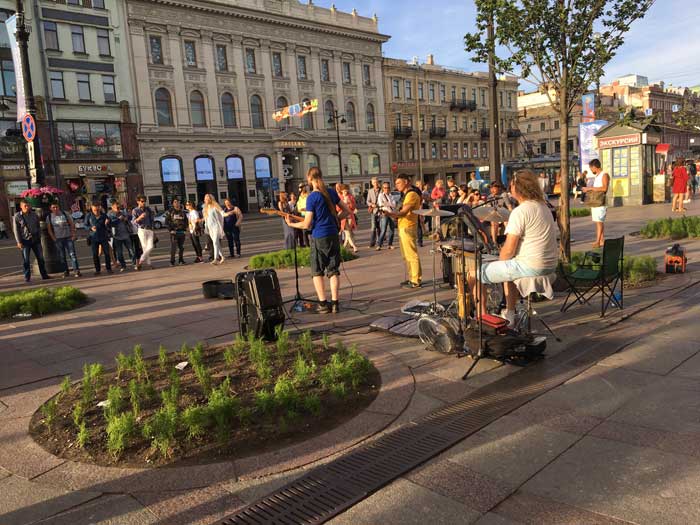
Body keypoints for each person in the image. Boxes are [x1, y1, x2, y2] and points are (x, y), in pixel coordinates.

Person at [469, 169, 557, 325]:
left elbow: (508, 250)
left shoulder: (520, 211)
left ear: (517, 188)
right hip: (549, 264)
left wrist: (498, 260)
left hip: (530, 266)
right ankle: (510, 315)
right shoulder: (544, 207)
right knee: (508, 272)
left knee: (472, 274)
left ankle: (483, 319)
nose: (510, 189)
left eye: (511, 186)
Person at [285, 167, 350, 314]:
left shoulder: (312, 197)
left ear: (309, 179)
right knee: (333, 270)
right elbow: (346, 211)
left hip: (319, 236)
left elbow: (307, 224)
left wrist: (291, 224)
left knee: (317, 271)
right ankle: (335, 303)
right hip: (333, 234)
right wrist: (334, 220)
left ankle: (323, 304)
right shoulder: (331, 192)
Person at [384, 173, 423, 289]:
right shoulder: (405, 194)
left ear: (406, 182)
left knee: (411, 254)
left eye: (398, 183)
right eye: (395, 183)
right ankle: (412, 278)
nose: (396, 185)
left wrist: (390, 214)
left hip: (408, 226)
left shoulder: (411, 194)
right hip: (403, 226)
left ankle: (416, 280)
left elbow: (403, 212)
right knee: (406, 255)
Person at [13, 200, 50, 282]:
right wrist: (19, 242)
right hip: (25, 241)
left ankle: (44, 275)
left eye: (28, 205)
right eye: (25, 206)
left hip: (36, 239)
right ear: (21, 206)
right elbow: (16, 230)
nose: (27, 207)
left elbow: (38, 226)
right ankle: (27, 277)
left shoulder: (34, 215)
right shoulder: (17, 216)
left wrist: (39, 235)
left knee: (40, 258)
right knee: (26, 260)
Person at [47, 202, 81, 278]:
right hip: (58, 239)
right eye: (53, 207)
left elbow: (72, 224)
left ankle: (76, 271)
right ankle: (65, 271)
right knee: (62, 256)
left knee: (72, 255)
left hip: (68, 237)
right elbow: (49, 229)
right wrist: (54, 238)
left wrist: (73, 234)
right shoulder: (49, 217)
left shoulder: (65, 213)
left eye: (56, 207)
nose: (55, 209)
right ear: (51, 208)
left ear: (59, 207)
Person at [582, 159, 610, 248]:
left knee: (599, 222)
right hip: (596, 202)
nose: (591, 170)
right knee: (598, 222)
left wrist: (590, 189)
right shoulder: (597, 175)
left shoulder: (604, 175)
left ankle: (598, 241)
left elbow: (604, 188)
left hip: (600, 202)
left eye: (591, 168)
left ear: (594, 167)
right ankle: (601, 240)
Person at [85, 202, 112, 275]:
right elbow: (85, 225)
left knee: (107, 253)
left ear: (99, 208)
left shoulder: (104, 215)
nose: (96, 211)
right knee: (95, 254)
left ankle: (109, 268)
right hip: (94, 238)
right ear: (92, 208)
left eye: (97, 210)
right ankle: (97, 270)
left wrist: (108, 222)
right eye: (94, 210)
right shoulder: (89, 216)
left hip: (103, 237)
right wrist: (90, 228)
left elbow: (109, 225)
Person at [108, 201, 133, 272]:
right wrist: (119, 219)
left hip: (126, 235)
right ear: (112, 207)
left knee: (131, 251)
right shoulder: (110, 215)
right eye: (117, 207)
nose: (118, 209)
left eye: (119, 207)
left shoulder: (123, 213)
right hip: (117, 237)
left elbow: (130, 218)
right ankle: (123, 265)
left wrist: (126, 219)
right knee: (119, 253)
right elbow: (110, 224)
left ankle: (134, 263)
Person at [132, 195, 155, 270]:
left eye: (145, 201)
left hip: (149, 229)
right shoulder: (135, 210)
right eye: (142, 201)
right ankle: (149, 264)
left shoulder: (148, 209)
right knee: (145, 248)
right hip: (141, 229)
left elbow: (152, 219)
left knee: (151, 246)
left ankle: (140, 262)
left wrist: (152, 228)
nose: (144, 203)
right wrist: (139, 217)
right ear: (138, 201)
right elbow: (133, 222)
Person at [164, 198, 189, 266]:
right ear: (173, 204)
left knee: (181, 248)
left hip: (181, 233)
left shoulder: (183, 212)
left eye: (178, 202)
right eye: (175, 202)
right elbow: (166, 222)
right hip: (174, 233)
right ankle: (172, 261)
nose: (177, 203)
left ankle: (181, 260)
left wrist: (185, 230)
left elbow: (186, 222)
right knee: (173, 248)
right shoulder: (170, 212)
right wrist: (171, 230)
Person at [203, 193, 225, 264]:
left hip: (216, 226)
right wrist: (206, 228)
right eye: (205, 198)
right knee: (216, 243)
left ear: (211, 199)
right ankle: (222, 257)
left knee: (215, 242)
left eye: (207, 198)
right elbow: (206, 219)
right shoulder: (205, 208)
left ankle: (216, 258)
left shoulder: (215, 206)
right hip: (210, 228)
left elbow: (222, 213)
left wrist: (228, 213)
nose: (206, 200)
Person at [338, 184, 358, 253]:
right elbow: (337, 208)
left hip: (350, 217)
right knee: (348, 232)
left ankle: (344, 246)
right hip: (343, 217)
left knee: (348, 232)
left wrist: (349, 202)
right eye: (344, 191)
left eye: (346, 191)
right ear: (342, 191)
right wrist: (343, 203)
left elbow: (353, 207)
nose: (345, 192)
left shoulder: (350, 197)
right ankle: (354, 247)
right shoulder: (339, 197)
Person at [376, 181, 396, 250]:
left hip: (391, 213)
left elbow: (394, 205)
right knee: (383, 230)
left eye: (388, 188)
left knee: (392, 230)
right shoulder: (380, 195)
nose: (386, 189)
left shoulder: (391, 196)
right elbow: (381, 204)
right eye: (385, 188)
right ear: (382, 188)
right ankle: (379, 245)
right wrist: (388, 203)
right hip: (384, 213)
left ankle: (390, 244)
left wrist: (386, 203)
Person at [366, 177, 381, 248]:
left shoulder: (382, 190)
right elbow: (367, 201)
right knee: (373, 227)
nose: (376, 184)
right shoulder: (370, 191)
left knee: (379, 227)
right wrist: (371, 204)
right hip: (373, 212)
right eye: (374, 182)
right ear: (372, 183)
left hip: (381, 211)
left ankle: (379, 241)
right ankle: (372, 243)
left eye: (377, 182)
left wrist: (378, 205)